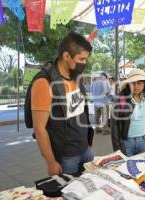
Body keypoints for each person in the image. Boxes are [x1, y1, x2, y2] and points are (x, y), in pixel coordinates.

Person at [31, 31, 94, 175]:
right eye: (81, 59)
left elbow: (81, 111)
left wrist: (89, 139)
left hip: (86, 150)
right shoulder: (44, 82)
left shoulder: (76, 76)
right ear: (66, 56)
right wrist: (51, 162)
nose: (84, 63)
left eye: (86, 59)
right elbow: (39, 128)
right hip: (66, 158)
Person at [111, 69, 145, 156]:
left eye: (139, 83)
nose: (136, 86)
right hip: (126, 143)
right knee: (126, 168)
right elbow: (114, 126)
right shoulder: (121, 100)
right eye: (133, 83)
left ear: (144, 84)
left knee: (142, 168)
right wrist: (116, 149)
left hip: (143, 141)